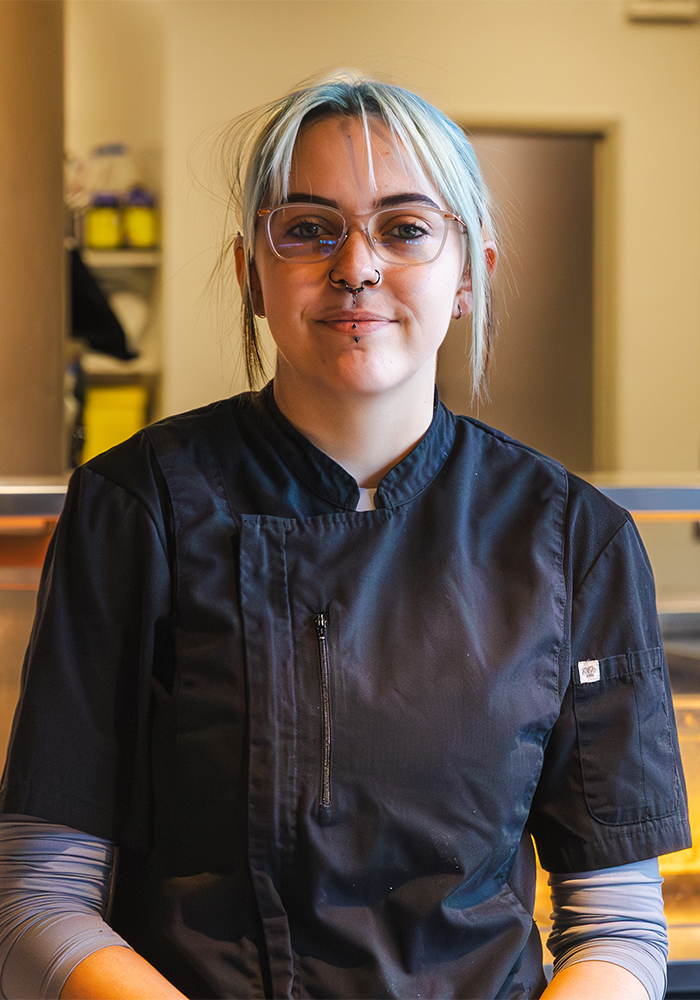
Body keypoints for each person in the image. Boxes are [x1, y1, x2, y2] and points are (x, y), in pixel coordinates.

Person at [0, 72, 690, 1000]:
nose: (355, 265)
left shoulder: (577, 539)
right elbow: (38, 898)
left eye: (404, 229)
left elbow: (618, 924)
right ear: (251, 273)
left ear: (469, 277)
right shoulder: (137, 505)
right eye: (308, 228)